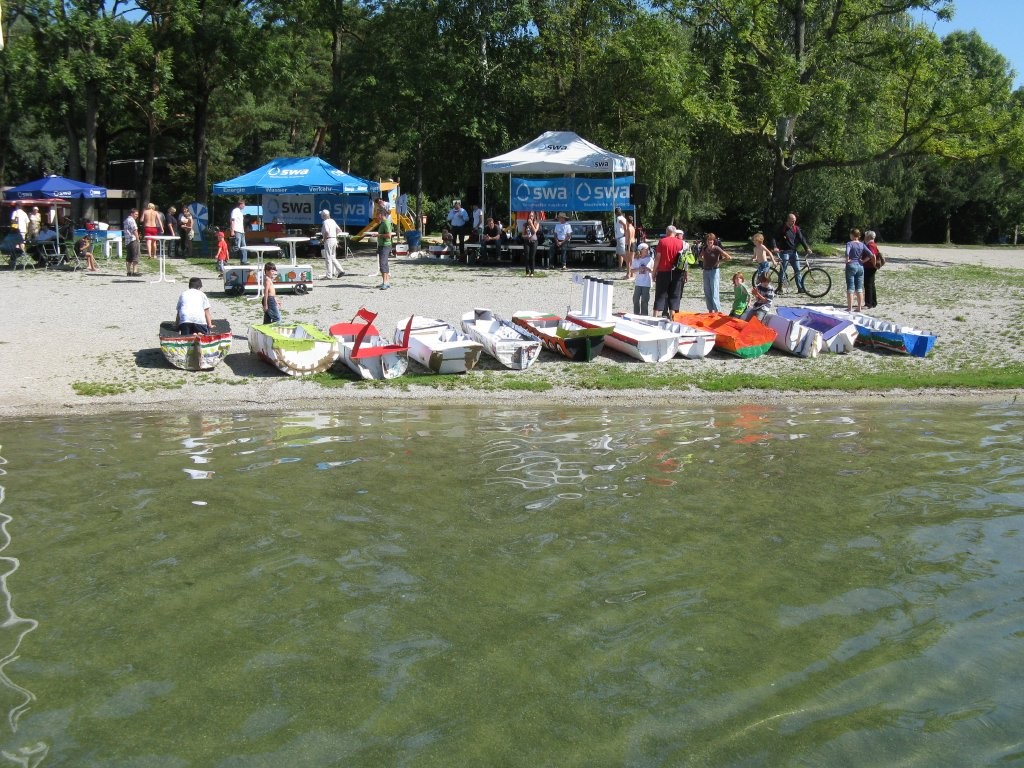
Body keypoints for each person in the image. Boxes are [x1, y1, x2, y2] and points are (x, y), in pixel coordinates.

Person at [771, 212, 812, 295]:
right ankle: (780, 288)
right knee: (783, 271)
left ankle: (800, 288)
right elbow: (774, 238)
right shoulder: (782, 228)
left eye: (795, 221)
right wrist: (775, 247)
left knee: (797, 270)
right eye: (792, 221)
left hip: (793, 252)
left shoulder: (796, 228)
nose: (794, 222)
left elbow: (801, 239)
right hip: (784, 252)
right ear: (788, 220)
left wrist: (807, 248)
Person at [652, 225, 686, 318]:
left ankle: (655, 317)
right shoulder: (681, 243)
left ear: (667, 232)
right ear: (675, 233)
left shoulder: (662, 241)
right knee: (674, 295)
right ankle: (672, 318)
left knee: (660, 294)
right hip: (677, 272)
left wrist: (654, 272)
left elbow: (658, 258)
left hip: (663, 271)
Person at [700, 231, 732, 313]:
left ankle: (717, 311)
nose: (709, 241)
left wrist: (719, 261)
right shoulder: (704, 248)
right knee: (707, 292)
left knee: (714, 292)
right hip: (705, 271)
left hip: (714, 271)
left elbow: (728, 257)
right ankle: (710, 311)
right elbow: (700, 257)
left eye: (711, 240)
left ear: (713, 241)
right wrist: (704, 260)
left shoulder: (717, 248)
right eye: (708, 240)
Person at [844, 228, 871, 312]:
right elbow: (870, 254)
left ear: (852, 235)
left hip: (851, 265)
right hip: (860, 266)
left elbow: (847, 252)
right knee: (859, 288)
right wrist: (863, 261)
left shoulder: (849, 243)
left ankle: (850, 308)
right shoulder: (862, 245)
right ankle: (859, 307)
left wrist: (847, 259)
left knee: (850, 288)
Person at [319, 209, 344, 279]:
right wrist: (334, 235)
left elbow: (326, 231)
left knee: (328, 258)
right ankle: (340, 270)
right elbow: (339, 230)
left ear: (323, 216)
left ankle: (329, 275)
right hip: (334, 239)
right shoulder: (332, 221)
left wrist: (324, 239)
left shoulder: (325, 222)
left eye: (322, 215)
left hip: (328, 240)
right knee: (332, 257)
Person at [631, 242, 655, 315]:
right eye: (646, 249)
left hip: (646, 283)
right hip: (638, 282)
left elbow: (653, 270)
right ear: (641, 250)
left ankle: (644, 315)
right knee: (635, 299)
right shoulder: (636, 259)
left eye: (648, 249)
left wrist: (648, 269)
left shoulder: (650, 259)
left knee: (644, 300)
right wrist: (638, 269)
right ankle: (636, 313)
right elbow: (632, 270)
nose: (647, 251)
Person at [375, 200, 393, 289]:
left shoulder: (386, 223)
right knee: (383, 263)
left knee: (383, 264)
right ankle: (385, 282)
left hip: (385, 246)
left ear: (381, 215)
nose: (376, 216)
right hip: (382, 245)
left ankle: (386, 282)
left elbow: (389, 235)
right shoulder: (382, 223)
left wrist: (379, 235)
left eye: (377, 214)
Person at [863, 230, 882, 309]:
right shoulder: (873, 244)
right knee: (871, 284)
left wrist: (864, 261)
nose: (864, 237)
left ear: (868, 237)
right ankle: (874, 302)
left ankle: (869, 303)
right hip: (871, 267)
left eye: (865, 236)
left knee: (868, 285)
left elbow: (872, 255)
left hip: (869, 267)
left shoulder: (870, 245)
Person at [614, 207, 631, 278]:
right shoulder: (623, 218)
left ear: (616, 213)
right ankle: (620, 267)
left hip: (621, 237)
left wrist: (625, 232)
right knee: (619, 253)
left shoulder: (619, 218)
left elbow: (624, 225)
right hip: (620, 237)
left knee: (622, 253)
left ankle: (629, 266)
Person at [124, 208, 140, 276]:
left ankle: (128, 272)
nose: (137, 216)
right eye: (136, 214)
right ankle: (135, 272)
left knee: (129, 257)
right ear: (132, 214)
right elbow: (134, 230)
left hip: (127, 240)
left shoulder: (126, 220)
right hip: (133, 240)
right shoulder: (132, 220)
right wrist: (138, 239)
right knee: (135, 256)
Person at [522, 212, 539, 276]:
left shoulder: (536, 223)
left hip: (534, 241)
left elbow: (535, 231)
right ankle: (527, 271)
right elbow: (522, 235)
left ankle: (532, 272)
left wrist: (531, 224)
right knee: (527, 256)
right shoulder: (525, 224)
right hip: (527, 241)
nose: (530, 217)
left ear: (534, 217)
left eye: (532, 216)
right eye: (529, 216)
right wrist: (526, 236)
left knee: (532, 257)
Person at [230, 199, 247, 264]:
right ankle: (228, 255)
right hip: (237, 230)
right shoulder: (235, 211)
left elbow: (241, 223)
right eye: (244, 204)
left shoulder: (240, 212)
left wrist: (243, 231)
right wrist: (232, 230)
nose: (244, 206)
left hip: (242, 232)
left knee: (244, 246)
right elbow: (232, 221)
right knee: (237, 246)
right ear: (240, 204)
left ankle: (244, 261)